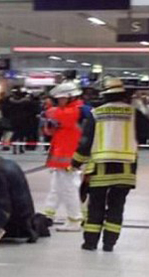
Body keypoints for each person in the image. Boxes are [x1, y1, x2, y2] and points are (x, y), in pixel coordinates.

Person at [72, 78, 147, 252]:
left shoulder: (96, 113)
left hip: (100, 167)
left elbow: (86, 142)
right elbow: (146, 132)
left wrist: (76, 162)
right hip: (126, 167)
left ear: (105, 95)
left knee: (95, 205)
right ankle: (109, 244)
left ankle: (90, 243)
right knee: (117, 205)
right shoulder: (133, 113)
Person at [42, 82, 85, 232]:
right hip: (61, 155)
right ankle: (48, 214)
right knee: (58, 186)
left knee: (68, 188)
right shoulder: (66, 110)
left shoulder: (76, 110)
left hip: (69, 157)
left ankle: (75, 219)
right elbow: (50, 131)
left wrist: (48, 112)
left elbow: (58, 116)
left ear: (70, 97)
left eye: (61, 99)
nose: (58, 102)